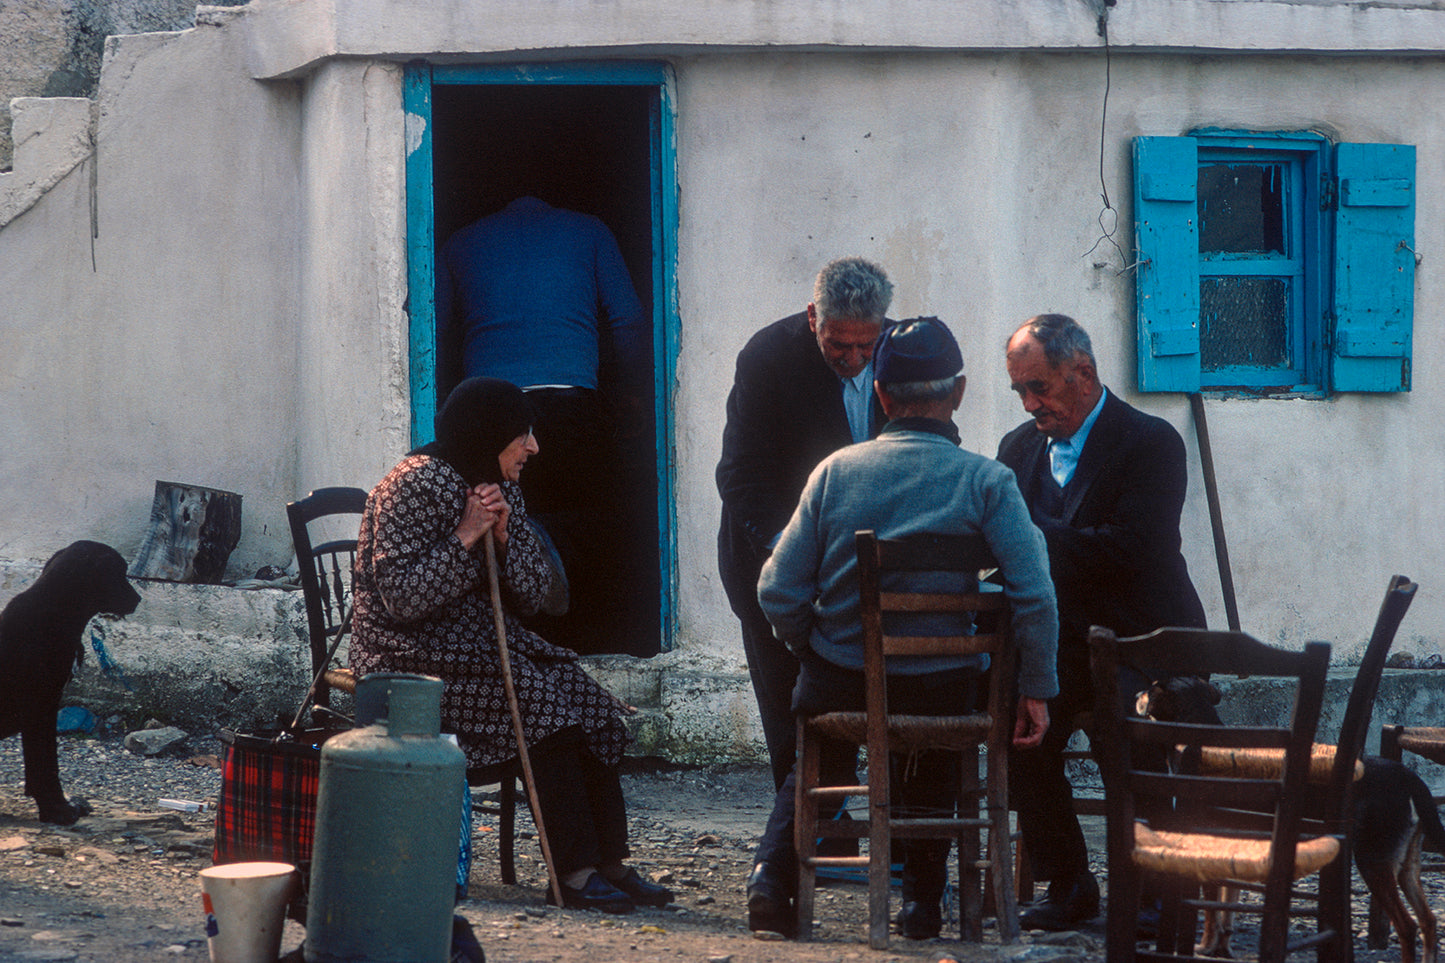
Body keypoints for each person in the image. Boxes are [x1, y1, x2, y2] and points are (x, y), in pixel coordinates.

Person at [745, 318, 1059, 939]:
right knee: (935, 737)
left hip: (843, 683)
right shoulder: (987, 481)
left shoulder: (835, 472)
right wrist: (1037, 687)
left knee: (820, 743)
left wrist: (812, 646)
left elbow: (776, 589)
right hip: (943, 690)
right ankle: (920, 900)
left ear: (882, 393)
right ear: (960, 392)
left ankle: (771, 880)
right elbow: (1036, 596)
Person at [349, 377, 673, 914]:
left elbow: (531, 596)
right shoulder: (411, 486)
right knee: (547, 711)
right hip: (409, 658)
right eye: (523, 434)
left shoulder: (500, 485)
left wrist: (501, 539)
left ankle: (611, 863)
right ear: (488, 433)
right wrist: (465, 535)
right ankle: (572, 872)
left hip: (478, 649)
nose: (534, 448)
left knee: (594, 709)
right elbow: (403, 598)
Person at [996, 314, 1207, 932]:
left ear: (1082, 374)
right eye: (1021, 392)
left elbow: (1131, 550)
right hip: (1062, 644)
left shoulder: (1150, 441)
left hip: (1144, 637)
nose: (1032, 404)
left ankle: (1156, 892)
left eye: (1041, 388)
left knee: (1132, 738)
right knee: (1020, 733)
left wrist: (1028, 542)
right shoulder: (1016, 449)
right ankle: (1068, 884)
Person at [434, 196, 650, 654]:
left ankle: (521, 646)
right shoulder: (590, 228)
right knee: (587, 527)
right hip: (573, 410)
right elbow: (628, 321)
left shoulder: (461, 242)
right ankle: (588, 642)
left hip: (490, 415)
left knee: (506, 527)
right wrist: (633, 399)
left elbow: (436, 332)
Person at [716, 256, 894, 794]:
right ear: (814, 316)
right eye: (840, 345)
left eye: (867, 346)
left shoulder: (899, 353)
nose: (856, 358)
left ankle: (894, 842)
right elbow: (742, 477)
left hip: (868, 569)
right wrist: (790, 557)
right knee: (793, 712)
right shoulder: (768, 358)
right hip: (773, 564)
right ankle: (807, 841)